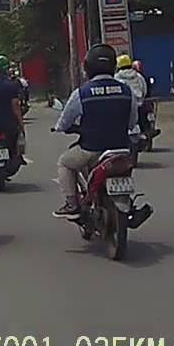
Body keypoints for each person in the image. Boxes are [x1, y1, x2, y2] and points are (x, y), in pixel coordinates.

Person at [52, 44, 137, 219]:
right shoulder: (127, 91)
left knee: (64, 163)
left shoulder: (82, 93)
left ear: (88, 67)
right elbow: (132, 122)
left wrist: (60, 128)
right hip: (122, 149)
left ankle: (72, 203)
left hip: (91, 149)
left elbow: (64, 122)